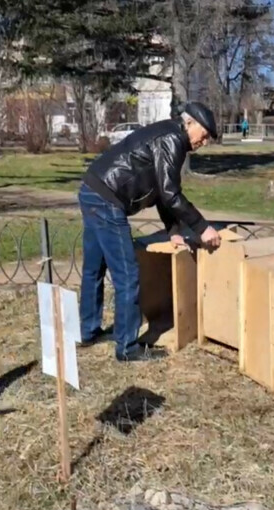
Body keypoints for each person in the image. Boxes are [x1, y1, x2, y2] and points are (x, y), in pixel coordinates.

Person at [78, 102, 222, 362]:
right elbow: (170, 193)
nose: (205, 141)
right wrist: (203, 227)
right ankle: (127, 347)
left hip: (92, 189)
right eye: (204, 134)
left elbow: (159, 190)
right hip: (107, 199)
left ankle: (89, 332)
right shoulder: (172, 139)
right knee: (128, 274)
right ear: (190, 124)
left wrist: (173, 230)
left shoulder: (169, 135)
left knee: (94, 268)